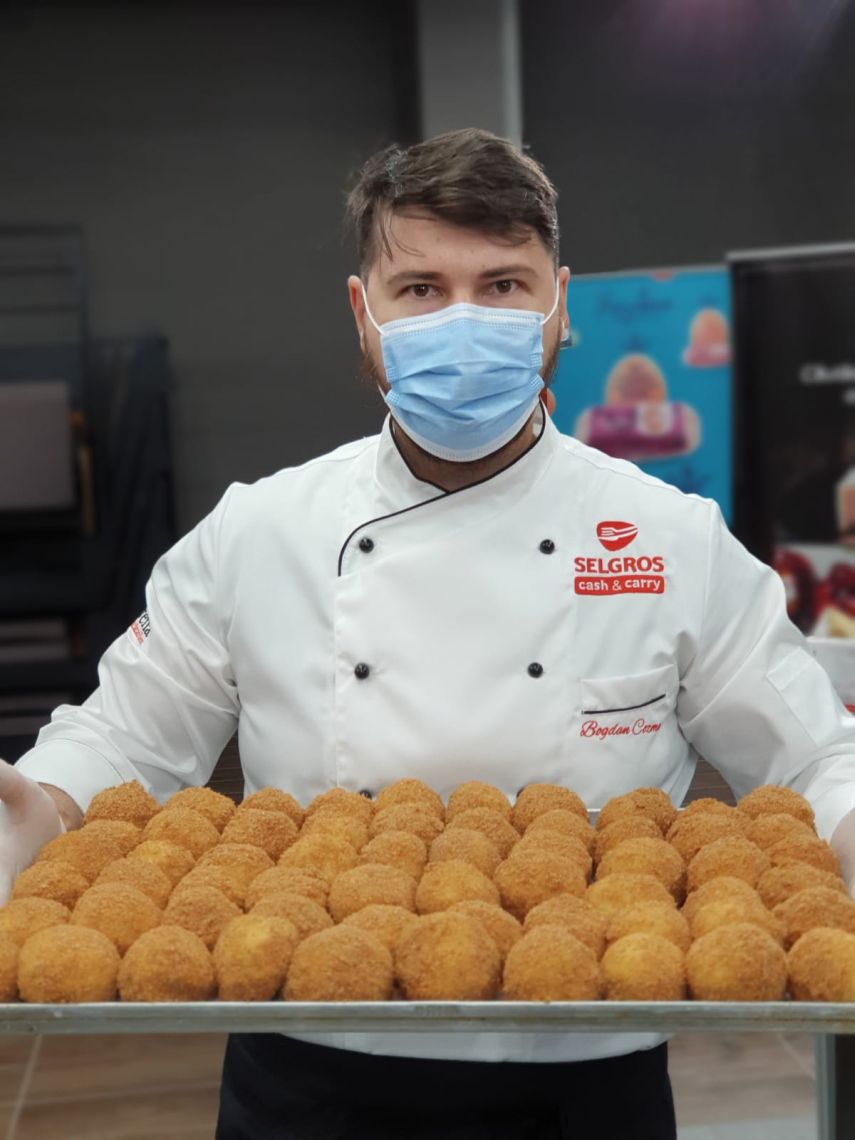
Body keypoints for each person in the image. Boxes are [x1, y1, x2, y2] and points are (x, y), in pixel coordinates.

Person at [4, 127, 855, 1139]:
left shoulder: (671, 538)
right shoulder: (258, 531)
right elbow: (124, 737)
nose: (464, 321)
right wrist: (31, 811)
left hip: (589, 1059)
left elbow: (813, 754)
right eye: (420, 289)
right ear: (362, 313)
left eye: (502, 285)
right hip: (311, 1052)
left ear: (558, 306)